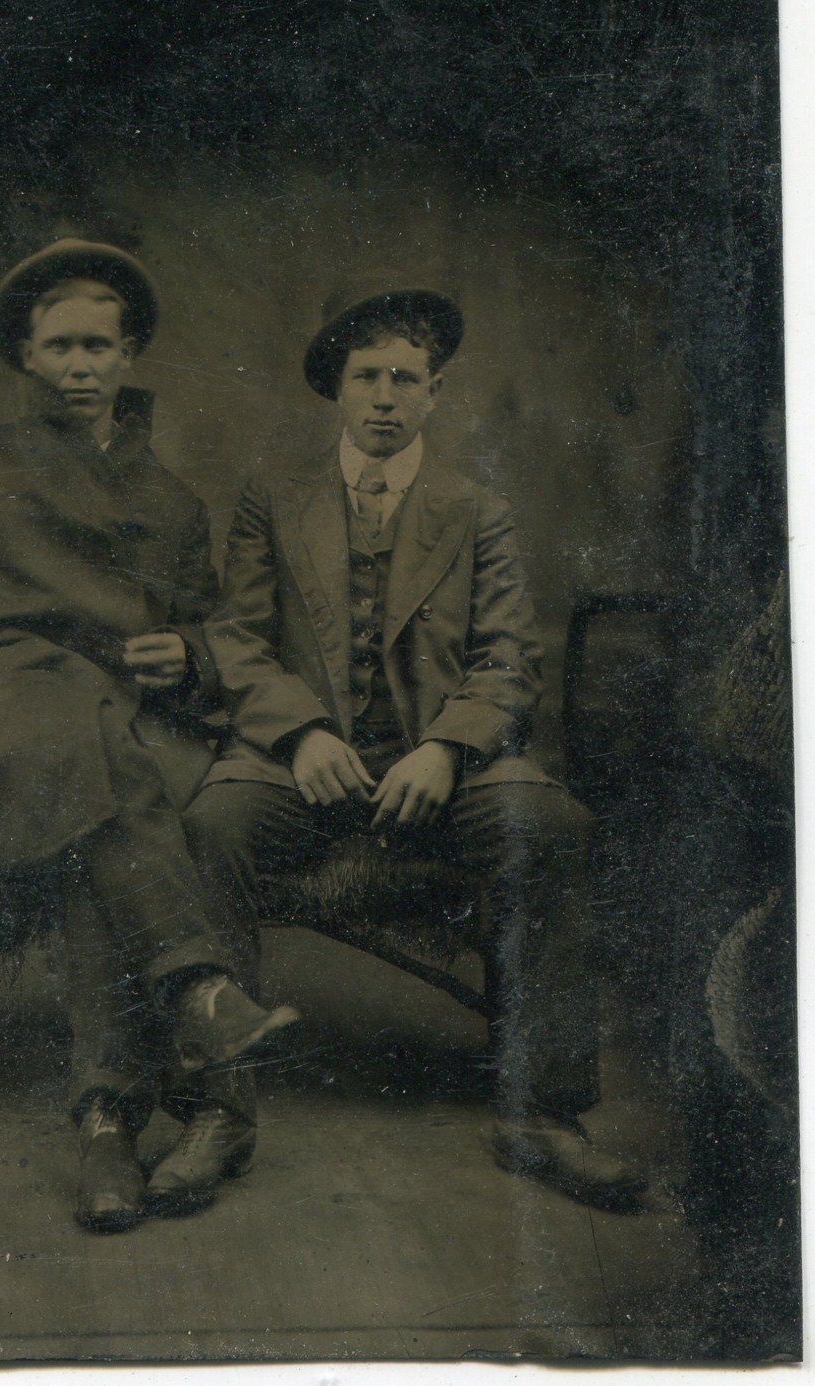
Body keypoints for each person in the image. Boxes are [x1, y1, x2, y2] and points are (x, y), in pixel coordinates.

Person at [0, 240, 296, 1231]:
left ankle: (103, 1123)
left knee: (99, 815)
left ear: (129, 356)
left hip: (115, 728)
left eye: (99, 346)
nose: (81, 365)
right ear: (28, 356)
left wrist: (186, 654)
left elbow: (214, 628)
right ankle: (197, 987)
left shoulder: (171, 502)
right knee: (98, 768)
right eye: (61, 346)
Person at [182, 280, 646, 1213]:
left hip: (442, 768)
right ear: (338, 390)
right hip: (299, 765)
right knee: (212, 824)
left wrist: (445, 749)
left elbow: (510, 659)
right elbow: (236, 638)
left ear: (436, 393)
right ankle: (215, 1111)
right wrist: (301, 732)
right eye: (367, 377)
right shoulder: (275, 500)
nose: (385, 397)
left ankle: (542, 1113)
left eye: (405, 378)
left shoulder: (477, 510)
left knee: (552, 826)